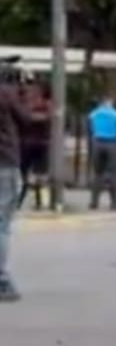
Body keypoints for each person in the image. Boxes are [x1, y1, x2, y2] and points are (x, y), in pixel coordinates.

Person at [0, 60, 31, 302]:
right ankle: (1, 280)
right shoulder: (6, 94)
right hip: (5, 163)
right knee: (2, 224)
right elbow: (27, 118)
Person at [88, 95, 116, 211]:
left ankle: (94, 202)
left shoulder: (93, 114)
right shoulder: (115, 114)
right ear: (109, 103)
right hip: (112, 144)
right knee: (114, 174)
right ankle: (114, 203)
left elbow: (90, 127)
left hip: (98, 143)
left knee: (98, 173)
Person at [17, 83, 50, 211]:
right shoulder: (41, 107)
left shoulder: (28, 107)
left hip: (34, 144)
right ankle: (22, 201)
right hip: (30, 144)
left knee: (37, 176)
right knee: (26, 175)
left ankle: (38, 202)